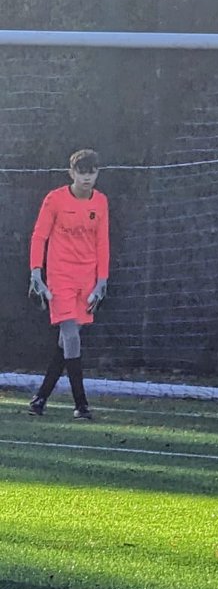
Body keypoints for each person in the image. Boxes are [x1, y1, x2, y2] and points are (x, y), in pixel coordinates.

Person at [27, 148, 109, 420]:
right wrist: (36, 273)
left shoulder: (101, 202)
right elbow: (40, 236)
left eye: (92, 172)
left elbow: (102, 243)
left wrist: (101, 281)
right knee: (71, 335)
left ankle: (41, 397)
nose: (87, 178)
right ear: (71, 173)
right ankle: (81, 403)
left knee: (67, 342)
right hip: (60, 276)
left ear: (97, 173)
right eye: (82, 172)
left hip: (86, 279)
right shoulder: (55, 200)